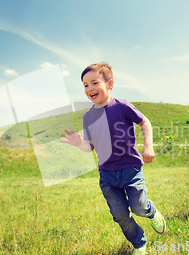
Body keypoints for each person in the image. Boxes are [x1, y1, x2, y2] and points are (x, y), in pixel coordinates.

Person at [61, 62, 165, 254]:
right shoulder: (88, 117)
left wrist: (148, 146)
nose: (89, 88)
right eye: (85, 85)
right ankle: (139, 244)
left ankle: (151, 212)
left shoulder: (122, 106)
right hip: (107, 174)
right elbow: (89, 146)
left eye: (94, 83)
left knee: (139, 208)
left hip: (130, 169)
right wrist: (78, 143)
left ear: (110, 84)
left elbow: (145, 122)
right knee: (120, 215)